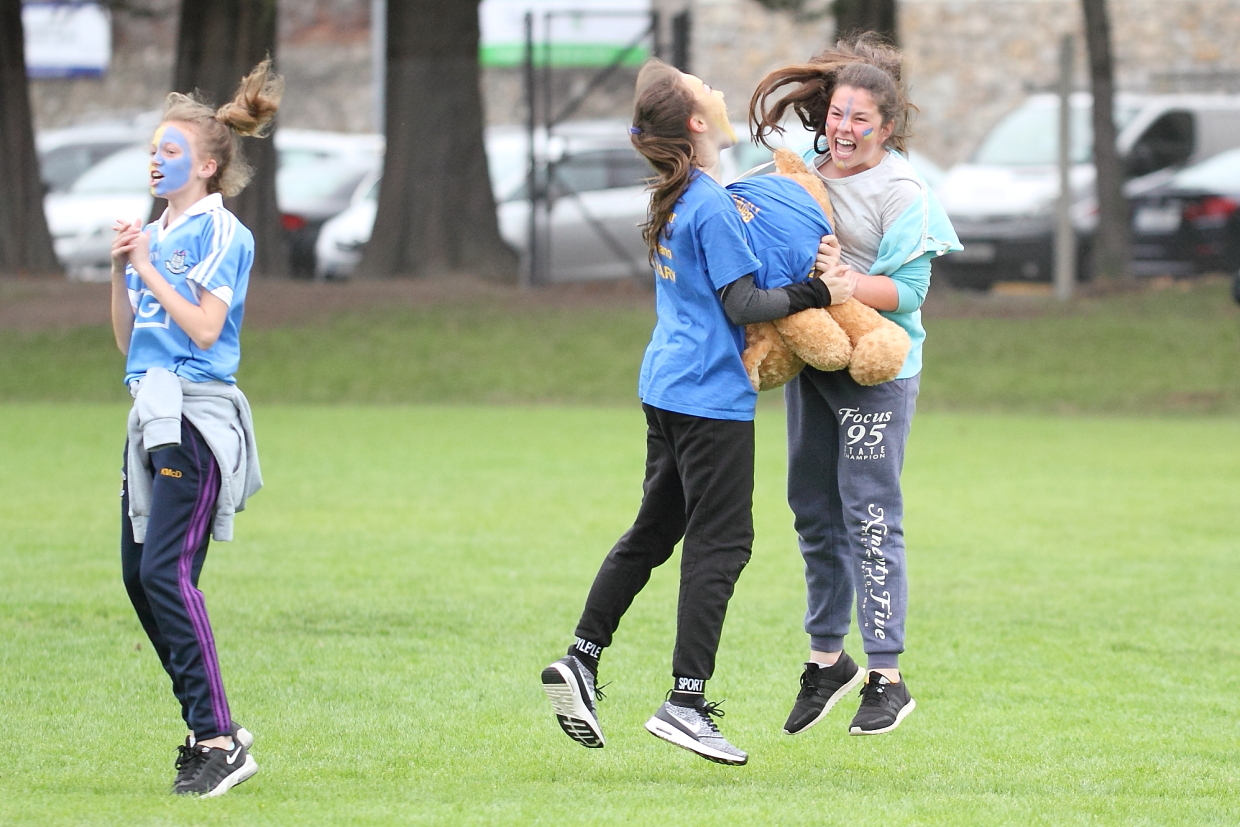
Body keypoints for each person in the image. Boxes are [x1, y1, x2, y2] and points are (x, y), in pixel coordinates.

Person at [540, 59, 850, 767]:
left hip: (666, 386)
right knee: (725, 541)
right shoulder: (707, 202)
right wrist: (816, 294)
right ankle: (685, 701)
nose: (716, 88)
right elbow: (744, 304)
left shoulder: (687, 195)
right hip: (710, 398)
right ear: (697, 123)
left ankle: (582, 660)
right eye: (705, 88)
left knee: (655, 529)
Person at [748, 34, 961, 737]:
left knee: (869, 515)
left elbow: (910, 289)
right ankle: (827, 659)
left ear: (887, 127)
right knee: (812, 507)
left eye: (860, 120)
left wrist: (847, 283)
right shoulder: (805, 172)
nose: (843, 129)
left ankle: (888, 675)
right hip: (817, 364)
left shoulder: (903, 191)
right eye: (838, 114)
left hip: (879, 371)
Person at [109, 60, 281, 797]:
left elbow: (207, 331)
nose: (157, 159)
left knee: (164, 572)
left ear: (208, 165)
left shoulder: (221, 232)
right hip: (148, 410)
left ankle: (218, 737)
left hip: (193, 415)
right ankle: (210, 728)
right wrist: (119, 268)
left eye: (170, 150)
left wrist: (147, 267)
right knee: (138, 576)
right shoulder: (157, 231)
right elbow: (127, 341)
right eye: (152, 149)